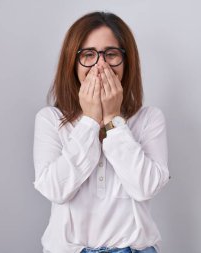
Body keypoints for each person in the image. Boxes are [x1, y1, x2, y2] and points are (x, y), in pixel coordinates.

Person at [33, 11, 170, 253]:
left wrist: (113, 119)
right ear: (72, 63)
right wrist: (90, 120)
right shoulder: (50, 120)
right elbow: (55, 190)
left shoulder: (149, 118)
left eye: (111, 54)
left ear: (126, 62)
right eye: (88, 54)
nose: (100, 65)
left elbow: (145, 187)